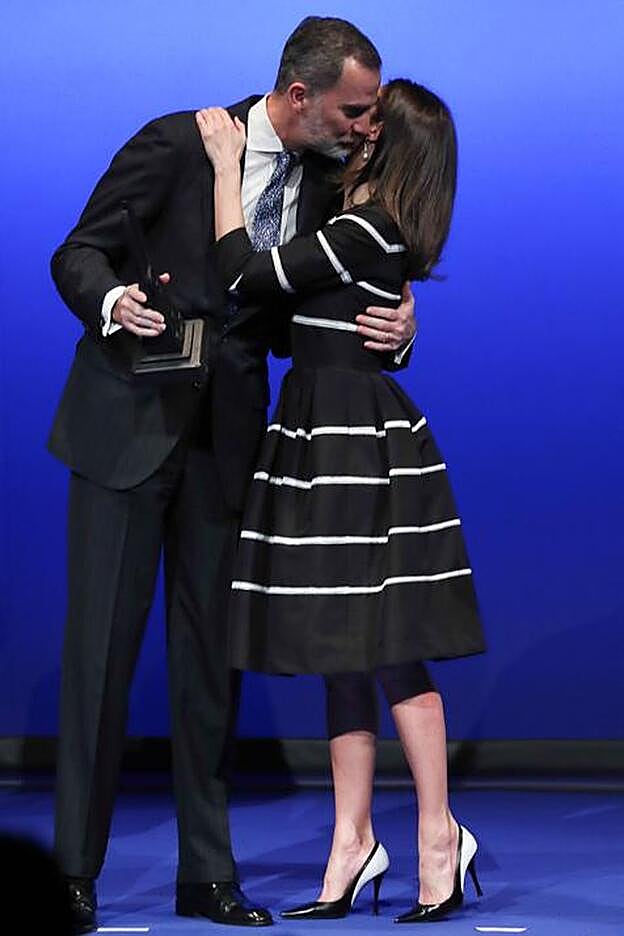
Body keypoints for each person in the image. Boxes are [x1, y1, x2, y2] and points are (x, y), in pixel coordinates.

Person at [49, 16, 416, 935]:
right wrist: (110, 299)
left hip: (229, 443)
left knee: (210, 665)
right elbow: (77, 250)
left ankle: (205, 877)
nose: (363, 127)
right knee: (100, 658)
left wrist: (402, 327)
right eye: (353, 109)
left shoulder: (334, 186)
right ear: (300, 97)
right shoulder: (179, 140)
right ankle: (70, 874)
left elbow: (337, 300)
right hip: (127, 426)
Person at [196, 77, 486, 924]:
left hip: (356, 443)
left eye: (369, 121)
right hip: (322, 431)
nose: (353, 129)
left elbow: (245, 276)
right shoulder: (352, 226)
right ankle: (351, 840)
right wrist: (404, 325)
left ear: (384, 144)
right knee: (342, 646)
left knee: (393, 643)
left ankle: (439, 835)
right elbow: (307, 321)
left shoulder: (365, 230)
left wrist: (224, 166)